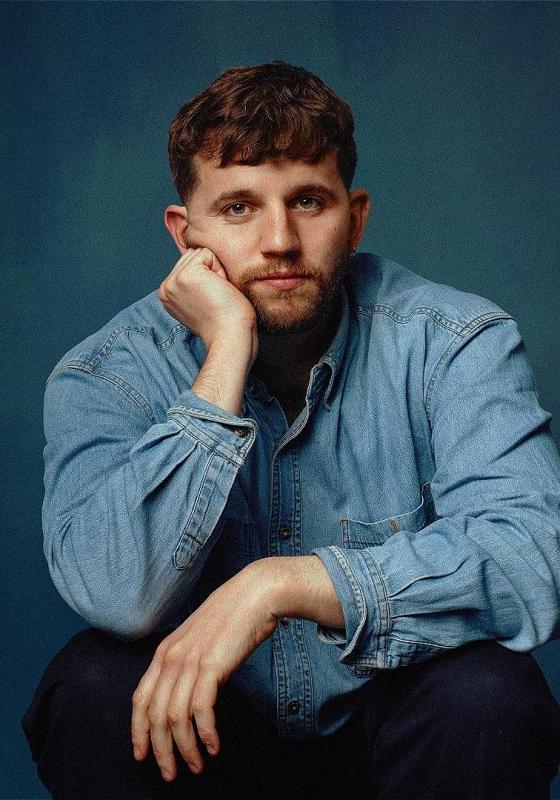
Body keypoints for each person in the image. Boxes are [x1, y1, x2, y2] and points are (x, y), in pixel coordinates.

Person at [23, 61, 560, 800]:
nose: (279, 239)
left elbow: (532, 561)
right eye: (240, 208)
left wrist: (280, 585)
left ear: (356, 216)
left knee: (490, 695)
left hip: (398, 739)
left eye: (308, 201)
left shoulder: (455, 341)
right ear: (187, 234)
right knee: (90, 687)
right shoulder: (104, 373)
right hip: (208, 744)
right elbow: (117, 595)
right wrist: (226, 356)